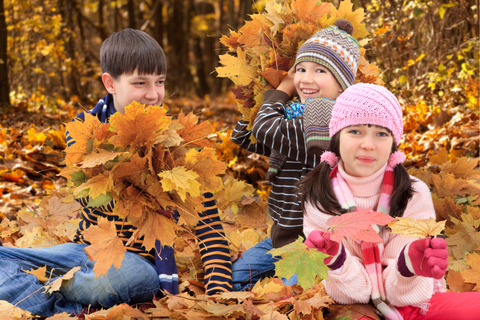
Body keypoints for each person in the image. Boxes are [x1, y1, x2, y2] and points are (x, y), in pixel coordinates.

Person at [0, 29, 232, 317]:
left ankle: (40, 294)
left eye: (160, 81)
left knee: (129, 280)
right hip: (85, 253)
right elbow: (93, 199)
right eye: (140, 82)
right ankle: (61, 301)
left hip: (137, 264)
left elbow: (209, 227)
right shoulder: (86, 133)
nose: (154, 93)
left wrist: (219, 297)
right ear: (110, 83)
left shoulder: (177, 142)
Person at [300, 83, 480, 320]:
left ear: (393, 143)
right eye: (355, 131)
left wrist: (410, 265)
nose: (368, 144)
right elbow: (352, 296)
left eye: (381, 133)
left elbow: (406, 296)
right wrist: (337, 260)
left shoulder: (413, 193)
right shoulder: (320, 198)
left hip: (414, 303)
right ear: (336, 137)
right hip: (352, 309)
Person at [230, 19, 360, 290]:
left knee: (294, 295)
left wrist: (280, 90)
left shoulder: (328, 118)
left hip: (311, 246)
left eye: (320, 70)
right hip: (281, 239)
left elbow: (266, 129)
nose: (305, 78)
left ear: (342, 86)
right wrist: (257, 98)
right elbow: (245, 136)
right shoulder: (294, 114)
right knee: (236, 278)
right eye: (300, 69)